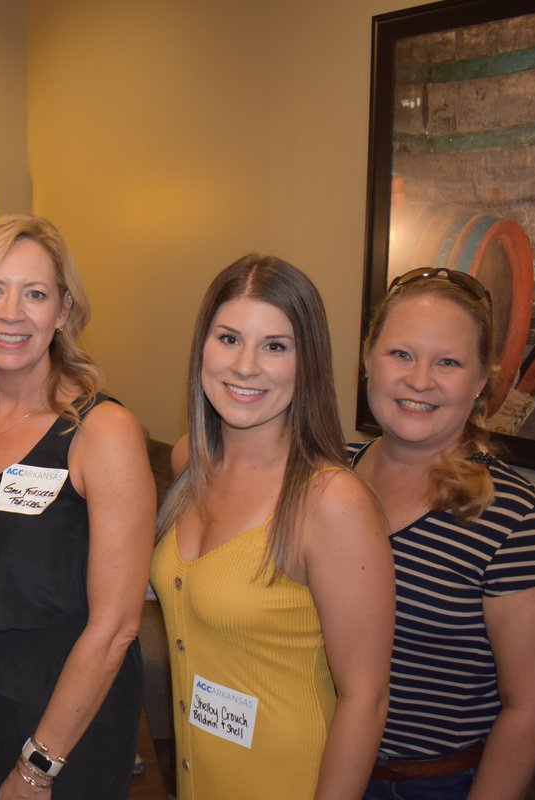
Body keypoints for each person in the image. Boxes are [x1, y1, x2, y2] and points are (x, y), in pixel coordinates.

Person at [0, 213, 157, 798]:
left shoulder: (103, 432)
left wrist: (36, 768)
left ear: (63, 311)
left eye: (35, 294)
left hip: (63, 724)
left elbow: (117, 627)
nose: (11, 313)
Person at [151, 255, 395, 799]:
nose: (245, 366)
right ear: (202, 348)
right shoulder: (191, 465)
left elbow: (366, 698)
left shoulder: (330, 502)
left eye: (275, 346)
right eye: (229, 338)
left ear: (308, 363)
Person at [354, 267, 535, 800]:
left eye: (448, 362)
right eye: (400, 353)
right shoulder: (327, 474)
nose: (419, 379)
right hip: (309, 756)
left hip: (423, 785)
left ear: (479, 383)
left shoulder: (515, 519)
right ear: (367, 359)